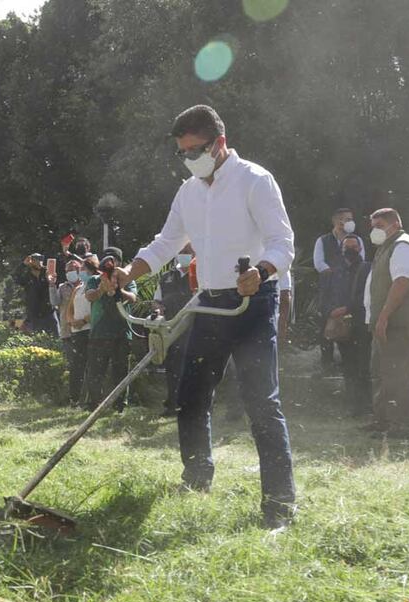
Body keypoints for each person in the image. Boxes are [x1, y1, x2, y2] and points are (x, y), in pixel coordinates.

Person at [114, 105, 296, 529]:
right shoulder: (189, 192)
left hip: (253, 303)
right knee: (191, 396)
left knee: (261, 404)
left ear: (220, 143)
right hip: (209, 305)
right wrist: (128, 272)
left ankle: (280, 507)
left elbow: (282, 242)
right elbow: (166, 244)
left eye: (195, 150)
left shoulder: (255, 180)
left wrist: (262, 272)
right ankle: (197, 477)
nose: (189, 159)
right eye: (182, 153)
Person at [363, 208, 409, 438]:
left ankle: (402, 426)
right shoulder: (387, 247)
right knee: (382, 372)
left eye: (379, 224)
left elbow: (402, 283)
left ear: (394, 224)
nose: (375, 230)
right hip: (388, 323)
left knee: (398, 374)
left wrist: (383, 317)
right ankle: (383, 421)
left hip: (400, 323)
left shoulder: (403, 245)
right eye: (373, 225)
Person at [85, 247, 137, 413]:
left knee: (120, 371)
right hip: (99, 332)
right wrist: (102, 287)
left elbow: (133, 298)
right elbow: (89, 296)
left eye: (113, 260)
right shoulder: (94, 279)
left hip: (122, 332)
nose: (110, 263)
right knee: (96, 371)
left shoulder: (128, 279)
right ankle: (94, 405)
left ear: (120, 263)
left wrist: (117, 289)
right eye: (107, 259)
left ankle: (120, 406)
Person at [325, 234, 372, 416]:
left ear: (360, 248)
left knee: (362, 366)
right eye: (346, 247)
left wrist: (346, 308)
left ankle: (365, 406)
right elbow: (329, 294)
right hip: (342, 326)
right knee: (348, 366)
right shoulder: (336, 271)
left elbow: (367, 297)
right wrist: (330, 311)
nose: (350, 249)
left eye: (353, 246)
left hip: (361, 325)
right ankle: (353, 406)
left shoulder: (367, 268)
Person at [314, 208, 366, 372]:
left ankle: (350, 365)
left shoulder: (357, 240)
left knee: (351, 328)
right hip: (329, 290)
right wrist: (337, 272)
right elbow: (319, 264)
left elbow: (361, 262)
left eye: (351, 218)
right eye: (346, 219)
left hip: (351, 289)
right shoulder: (323, 240)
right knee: (326, 329)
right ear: (337, 221)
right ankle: (327, 366)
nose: (350, 221)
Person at [153, 246, 196, 417]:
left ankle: (193, 405)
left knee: (193, 367)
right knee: (173, 367)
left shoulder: (200, 274)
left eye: (187, 252)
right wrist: (157, 310)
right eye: (181, 251)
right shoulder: (167, 276)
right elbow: (157, 301)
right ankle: (172, 404)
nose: (183, 255)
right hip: (170, 330)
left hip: (194, 328)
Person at [49, 258, 83, 405]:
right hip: (67, 331)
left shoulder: (85, 285)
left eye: (73, 269)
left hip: (83, 329)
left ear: (79, 270)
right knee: (73, 365)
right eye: (67, 270)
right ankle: (74, 398)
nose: (70, 272)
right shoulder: (63, 287)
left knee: (84, 364)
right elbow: (54, 302)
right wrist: (51, 284)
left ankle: (85, 396)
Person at [65, 255, 96, 406]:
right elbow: (69, 310)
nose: (80, 271)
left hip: (90, 331)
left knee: (92, 367)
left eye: (83, 268)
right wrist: (72, 321)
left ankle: (91, 400)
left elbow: (98, 310)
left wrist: (83, 321)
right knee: (76, 367)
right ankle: (74, 399)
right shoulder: (78, 288)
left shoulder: (96, 286)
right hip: (76, 332)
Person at [15, 253, 59, 336]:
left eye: (41, 260)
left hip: (49, 312)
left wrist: (50, 279)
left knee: (56, 337)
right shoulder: (27, 277)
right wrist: (23, 265)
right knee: (39, 339)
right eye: (36, 260)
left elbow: (54, 283)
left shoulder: (47, 274)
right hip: (34, 314)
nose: (39, 262)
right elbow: (16, 278)